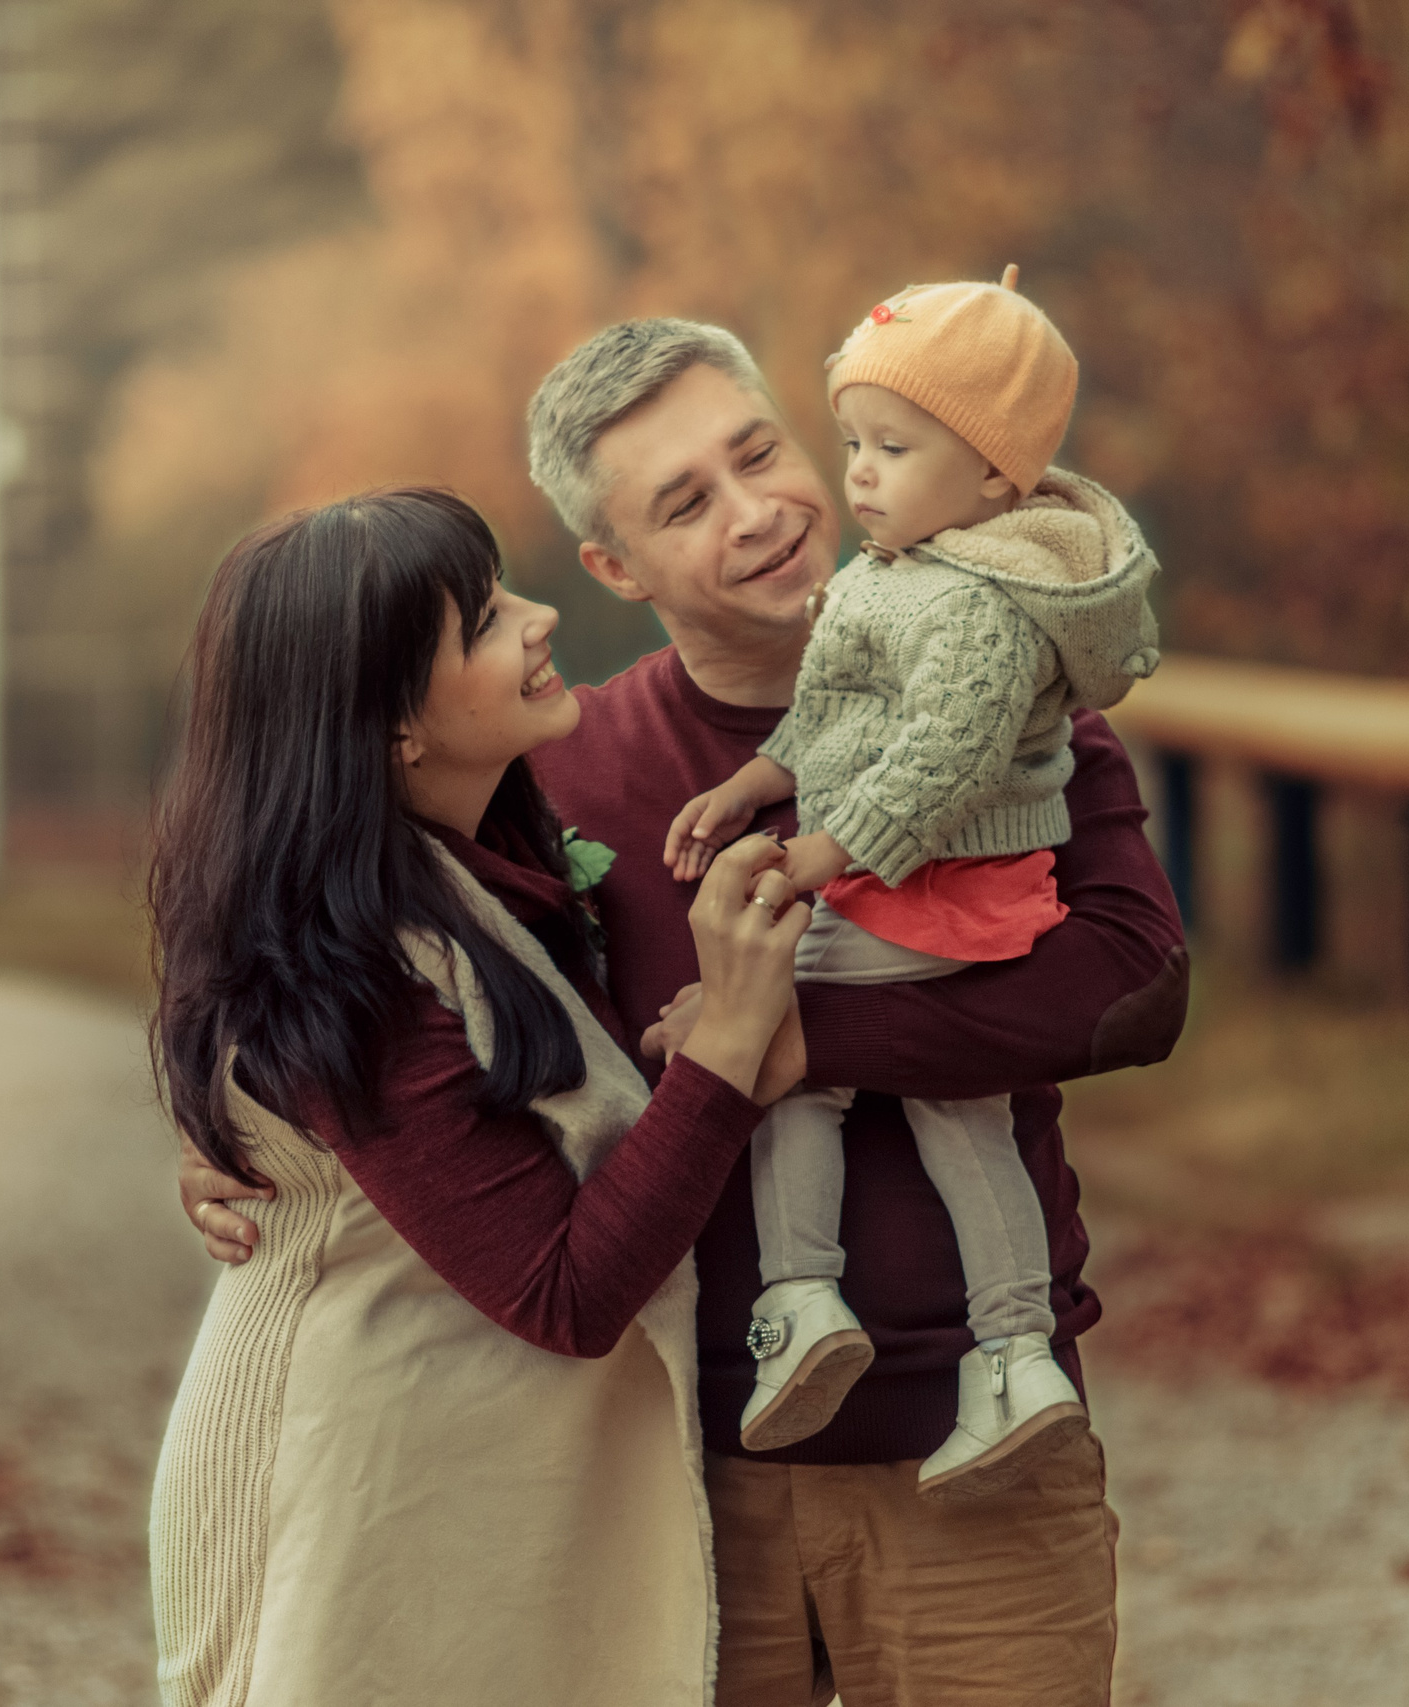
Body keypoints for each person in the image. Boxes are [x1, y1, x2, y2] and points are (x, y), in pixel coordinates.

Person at [182, 323, 1188, 1706]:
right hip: (669, 1480)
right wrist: (274, 1147)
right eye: (684, 501)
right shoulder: (557, 769)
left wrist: (792, 1041)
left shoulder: (1013, 695)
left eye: (759, 451)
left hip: (980, 1442)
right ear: (613, 567)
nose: (758, 511)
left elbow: (1133, 983)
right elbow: (379, 973)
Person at [145, 487, 812, 1706]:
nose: (541, 617)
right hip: (353, 1499)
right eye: (489, 618)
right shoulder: (358, 966)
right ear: (391, 723)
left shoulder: (486, 872)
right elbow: (561, 1293)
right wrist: (725, 1053)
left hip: (457, 1481)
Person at [661, 269, 1162, 1498]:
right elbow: (828, 717)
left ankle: (800, 1294)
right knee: (959, 1110)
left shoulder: (981, 605)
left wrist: (824, 852)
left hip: (932, 890)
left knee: (783, 1059)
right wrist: (755, 783)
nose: (861, 474)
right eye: (852, 444)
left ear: (995, 475)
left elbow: (940, 760)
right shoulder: (894, 577)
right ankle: (1014, 1357)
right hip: (909, 884)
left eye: (894, 446)